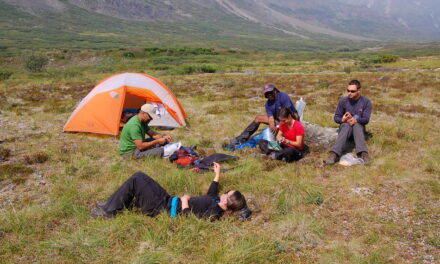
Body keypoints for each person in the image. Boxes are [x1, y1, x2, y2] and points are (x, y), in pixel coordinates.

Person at [91, 163, 249, 221]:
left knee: (137, 179)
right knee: (140, 176)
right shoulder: (216, 203)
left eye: (226, 193)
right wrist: (217, 174)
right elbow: (212, 193)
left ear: (225, 201)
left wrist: (185, 201)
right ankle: (112, 204)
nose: (224, 192)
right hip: (167, 200)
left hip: (162, 208)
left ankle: (109, 211)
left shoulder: (214, 213)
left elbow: (189, 218)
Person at [231, 83, 299, 145]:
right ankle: (241, 138)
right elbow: (271, 118)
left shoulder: (283, 96)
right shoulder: (268, 104)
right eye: (267, 93)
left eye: (270, 92)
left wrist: (281, 125)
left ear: (275, 91)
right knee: (258, 118)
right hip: (278, 120)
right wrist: (272, 127)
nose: (269, 95)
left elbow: (288, 112)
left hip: (289, 118)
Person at [325, 80, 372, 165]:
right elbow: (336, 117)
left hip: (358, 129)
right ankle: (334, 155)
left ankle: (363, 154)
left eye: (352, 91)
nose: (349, 93)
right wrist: (342, 120)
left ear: (359, 90)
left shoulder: (366, 102)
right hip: (345, 128)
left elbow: (366, 119)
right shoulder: (343, 101)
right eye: (348, 91)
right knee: (346, 126)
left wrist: (356, 120)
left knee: (356, 125)